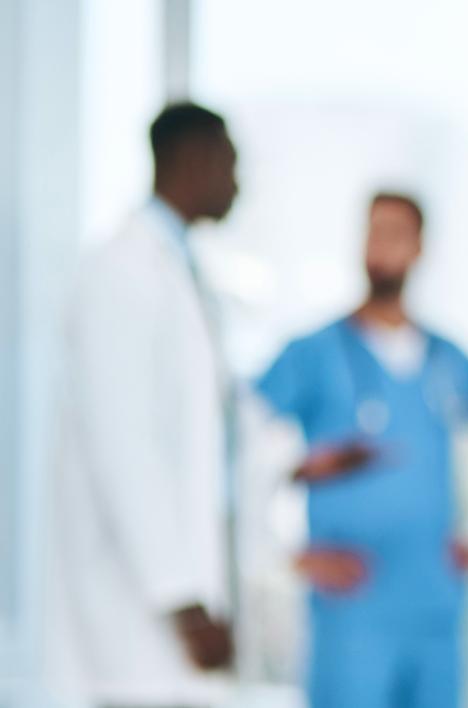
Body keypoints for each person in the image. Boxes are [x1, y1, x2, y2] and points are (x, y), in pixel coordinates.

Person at [255, 192, 468, 708]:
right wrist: (285, 550)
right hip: (351, 612)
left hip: (434, 606)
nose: (380, 247)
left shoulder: (446, 359)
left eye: (395, 233)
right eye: (372, 232)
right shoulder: (315, 353)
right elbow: (242, 445)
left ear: (420, 249)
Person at [47, 102, 240, 706]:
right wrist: (181, 600)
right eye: (231, 164)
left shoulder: (177, 272)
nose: (239, 183)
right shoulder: (121, 271)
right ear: (195, 159)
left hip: (167, 594)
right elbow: (122, 442)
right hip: (132, 599)